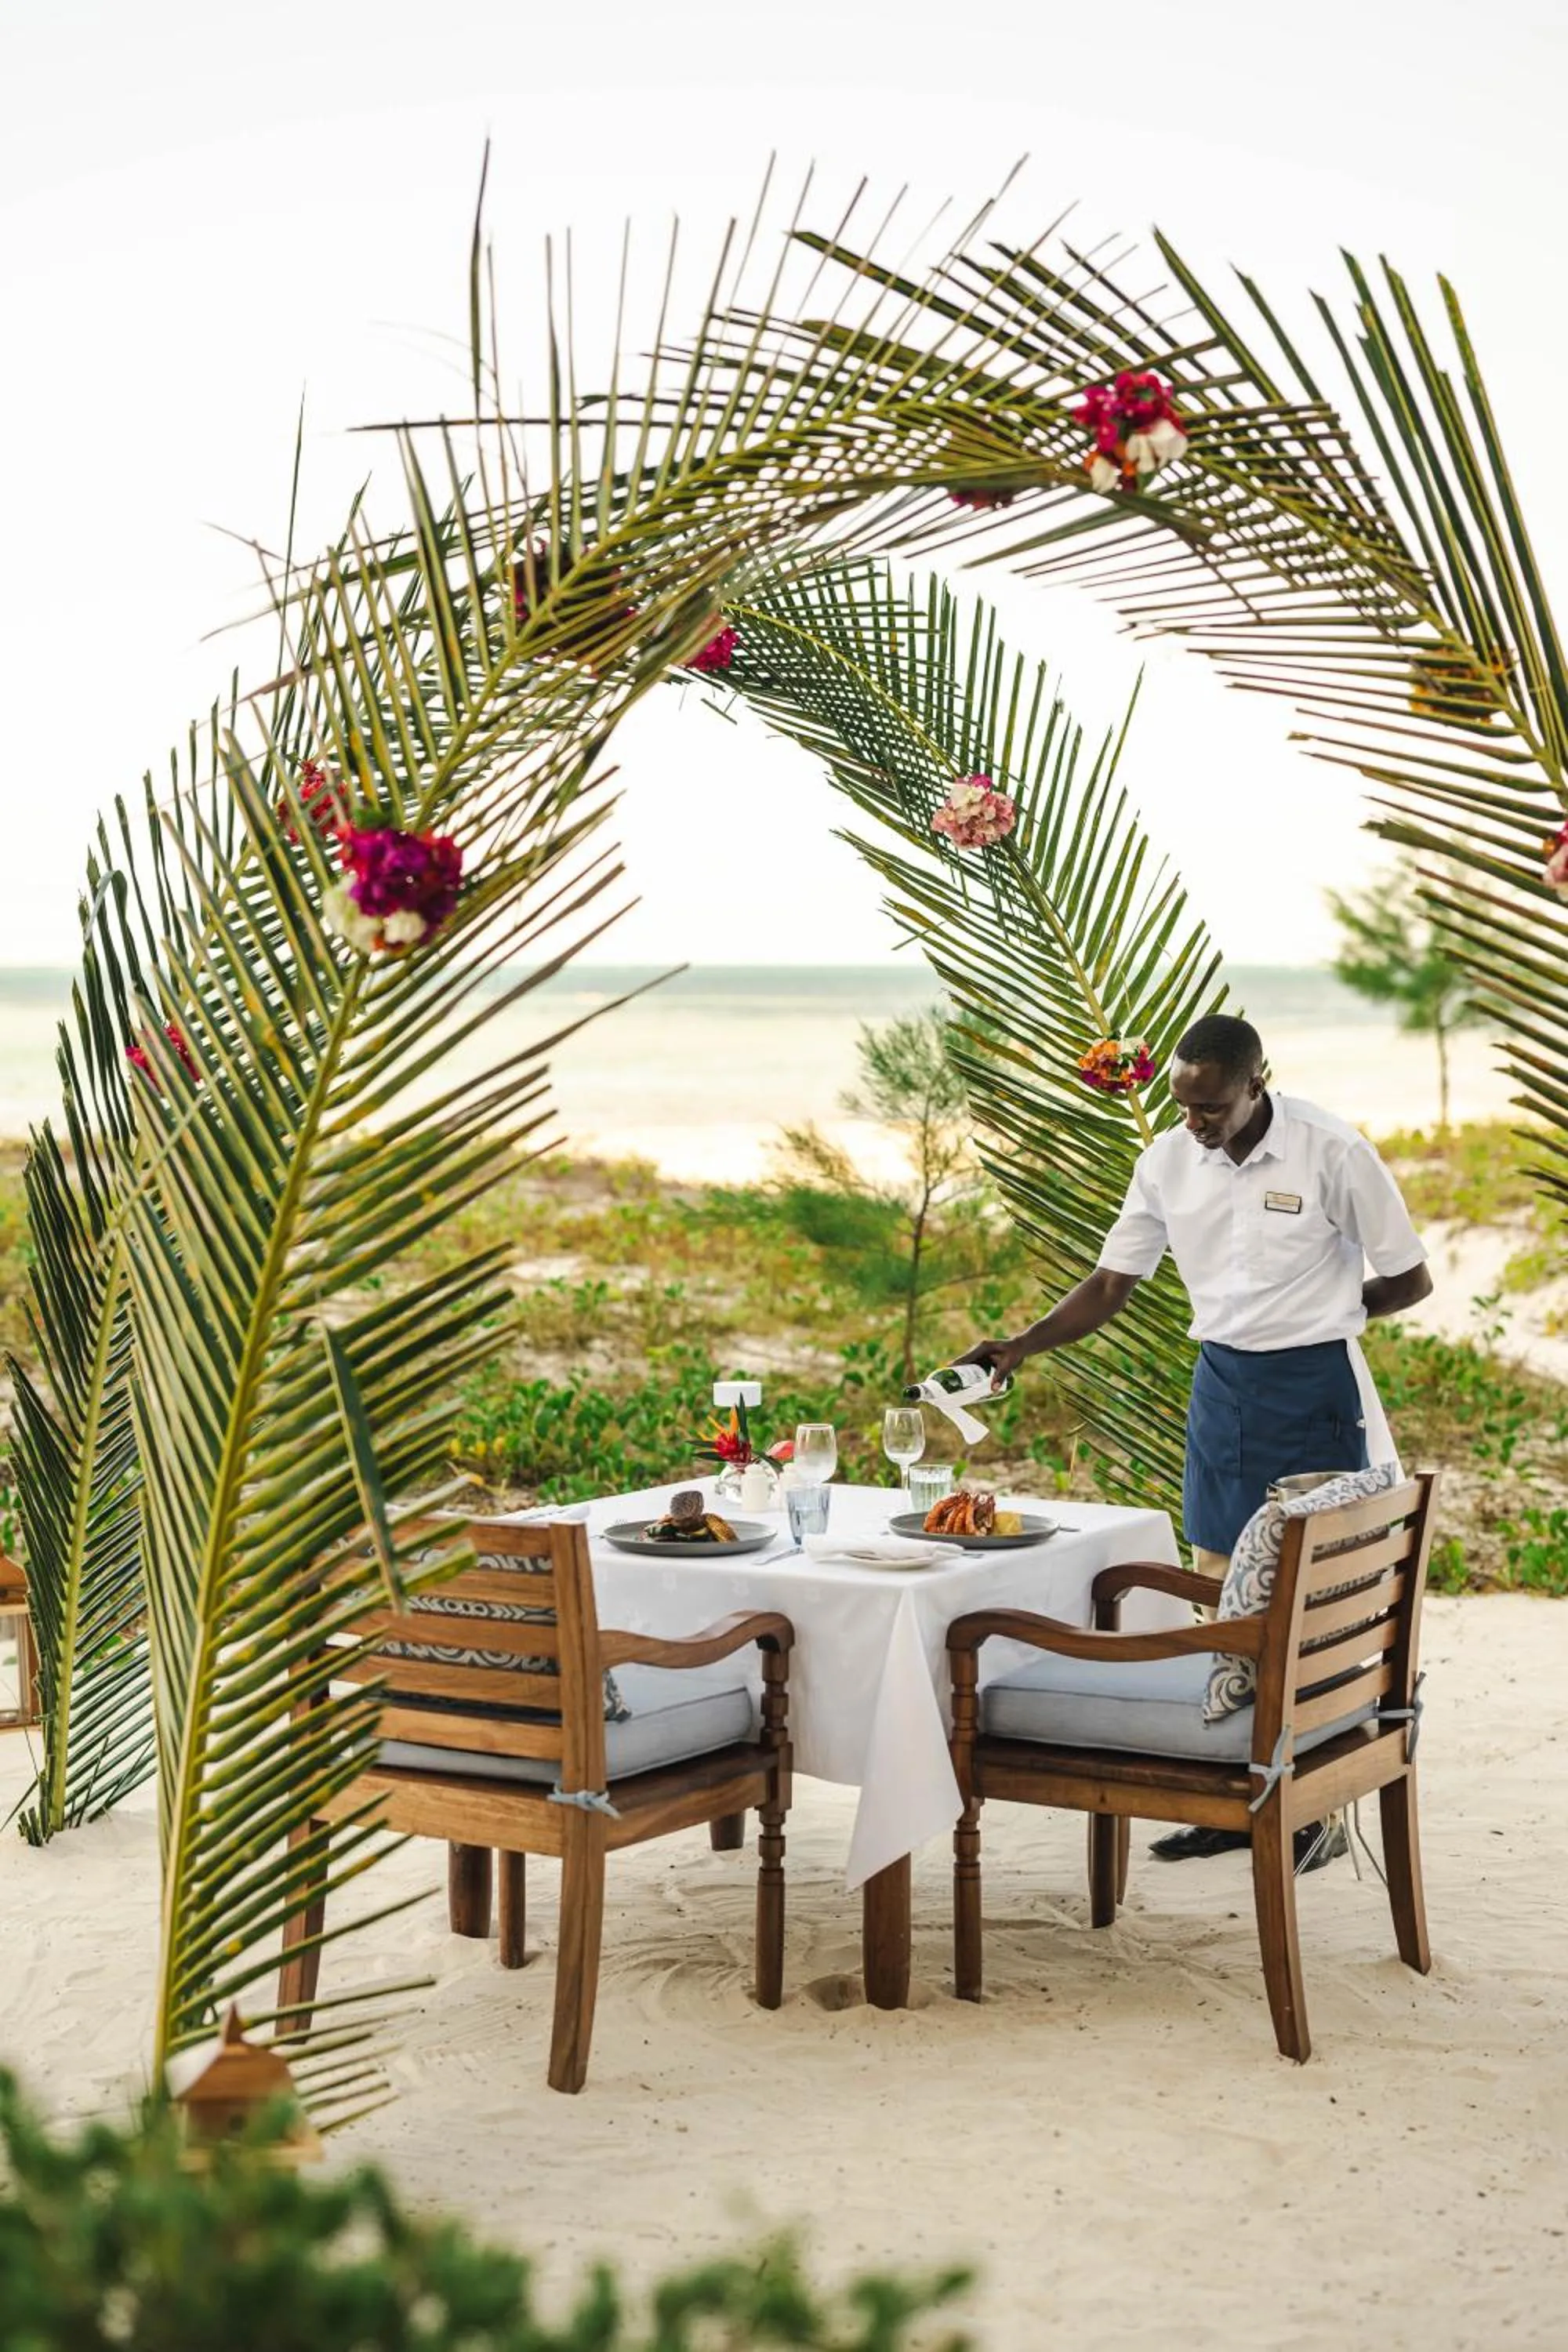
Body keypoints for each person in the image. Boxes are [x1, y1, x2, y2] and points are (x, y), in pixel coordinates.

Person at [960, 1013, 1432, 1869]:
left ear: (1256, 1083)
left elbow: (1409, 1276)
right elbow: (1112, 1281)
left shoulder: (1330, 1150)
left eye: (1210, 1107)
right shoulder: (1165, 1162)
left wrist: (1323, 1315)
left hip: (1314, 1387)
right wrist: (1017, 1346)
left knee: (1309, 1597)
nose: (1196, 1123)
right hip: (1221, 1389)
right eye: (1183, 1106)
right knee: (1219, 1590)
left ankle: (1310, 1811)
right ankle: (1231, 1795)